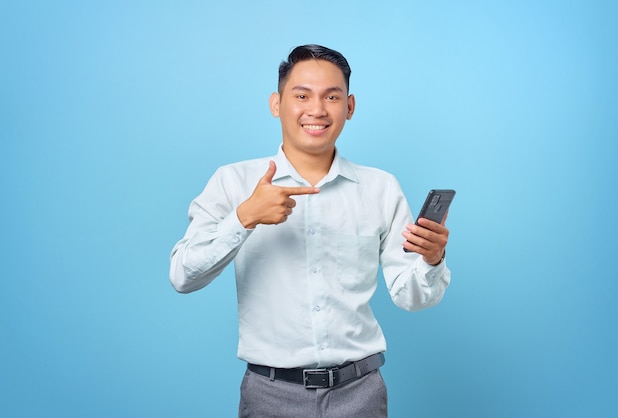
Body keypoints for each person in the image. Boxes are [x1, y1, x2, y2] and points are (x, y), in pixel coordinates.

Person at [169, 44, 451, 417]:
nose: (316, 110)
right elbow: (182, 277)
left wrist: (431, 260)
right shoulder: (233, 181)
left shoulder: (380, 188)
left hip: (360, 394)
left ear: (349, 107)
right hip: (270, 396)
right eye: (302, 95)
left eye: (331, 97)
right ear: (276, 103)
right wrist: (244, 218)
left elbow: (410, 297)